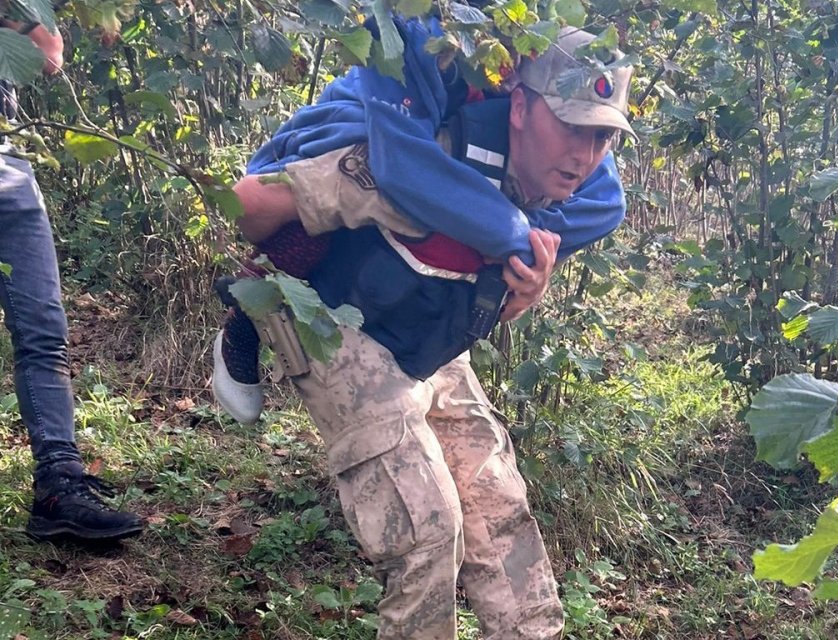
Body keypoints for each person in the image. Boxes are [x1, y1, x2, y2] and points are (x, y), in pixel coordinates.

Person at [223, 18, 634, 639]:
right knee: (424, 531)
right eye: (572, 127)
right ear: (519, 105)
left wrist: (513, 264)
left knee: (499, 512)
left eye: (602, 136)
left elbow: (598, 208)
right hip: (333, 316)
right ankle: (244, 322)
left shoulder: (571, 191)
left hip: (425, 335)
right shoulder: (406, 134)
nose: (585, 153)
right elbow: (248, 205)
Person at [0, 12, 144, 540]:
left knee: (44, 328)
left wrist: (10, 11)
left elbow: (48, 59)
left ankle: (59, 486)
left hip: (5, 153)